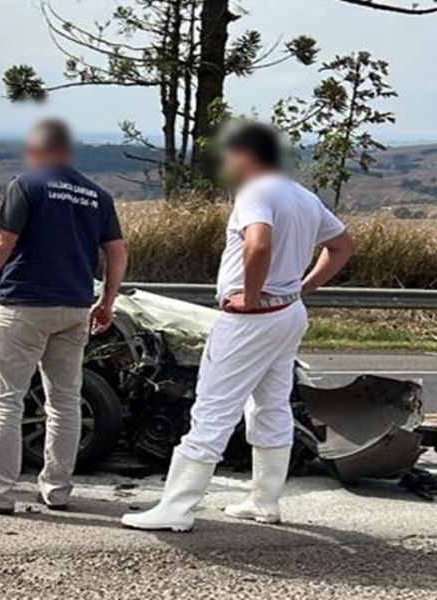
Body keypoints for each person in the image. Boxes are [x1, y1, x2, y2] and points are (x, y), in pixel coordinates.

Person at [121, 122, 354, 532]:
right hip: (288, 312)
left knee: (213, 407)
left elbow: (258, 243)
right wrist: (305, 286)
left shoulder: (255, 192)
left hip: (252, 318)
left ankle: (176, 508)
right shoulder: (302, 196)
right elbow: (342, 246)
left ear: (247, 155)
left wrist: (250, 292)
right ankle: (265, 501)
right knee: (271, 405)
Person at [0, 118, 128, 515]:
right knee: (64, 402)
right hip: (76, 308)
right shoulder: (97, 196)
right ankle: (57, 489)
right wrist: (107, 301)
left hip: (25, 307)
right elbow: (117, 252)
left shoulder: (26, 185)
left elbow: (0, 242)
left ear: (39, 149)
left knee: (5, 400)